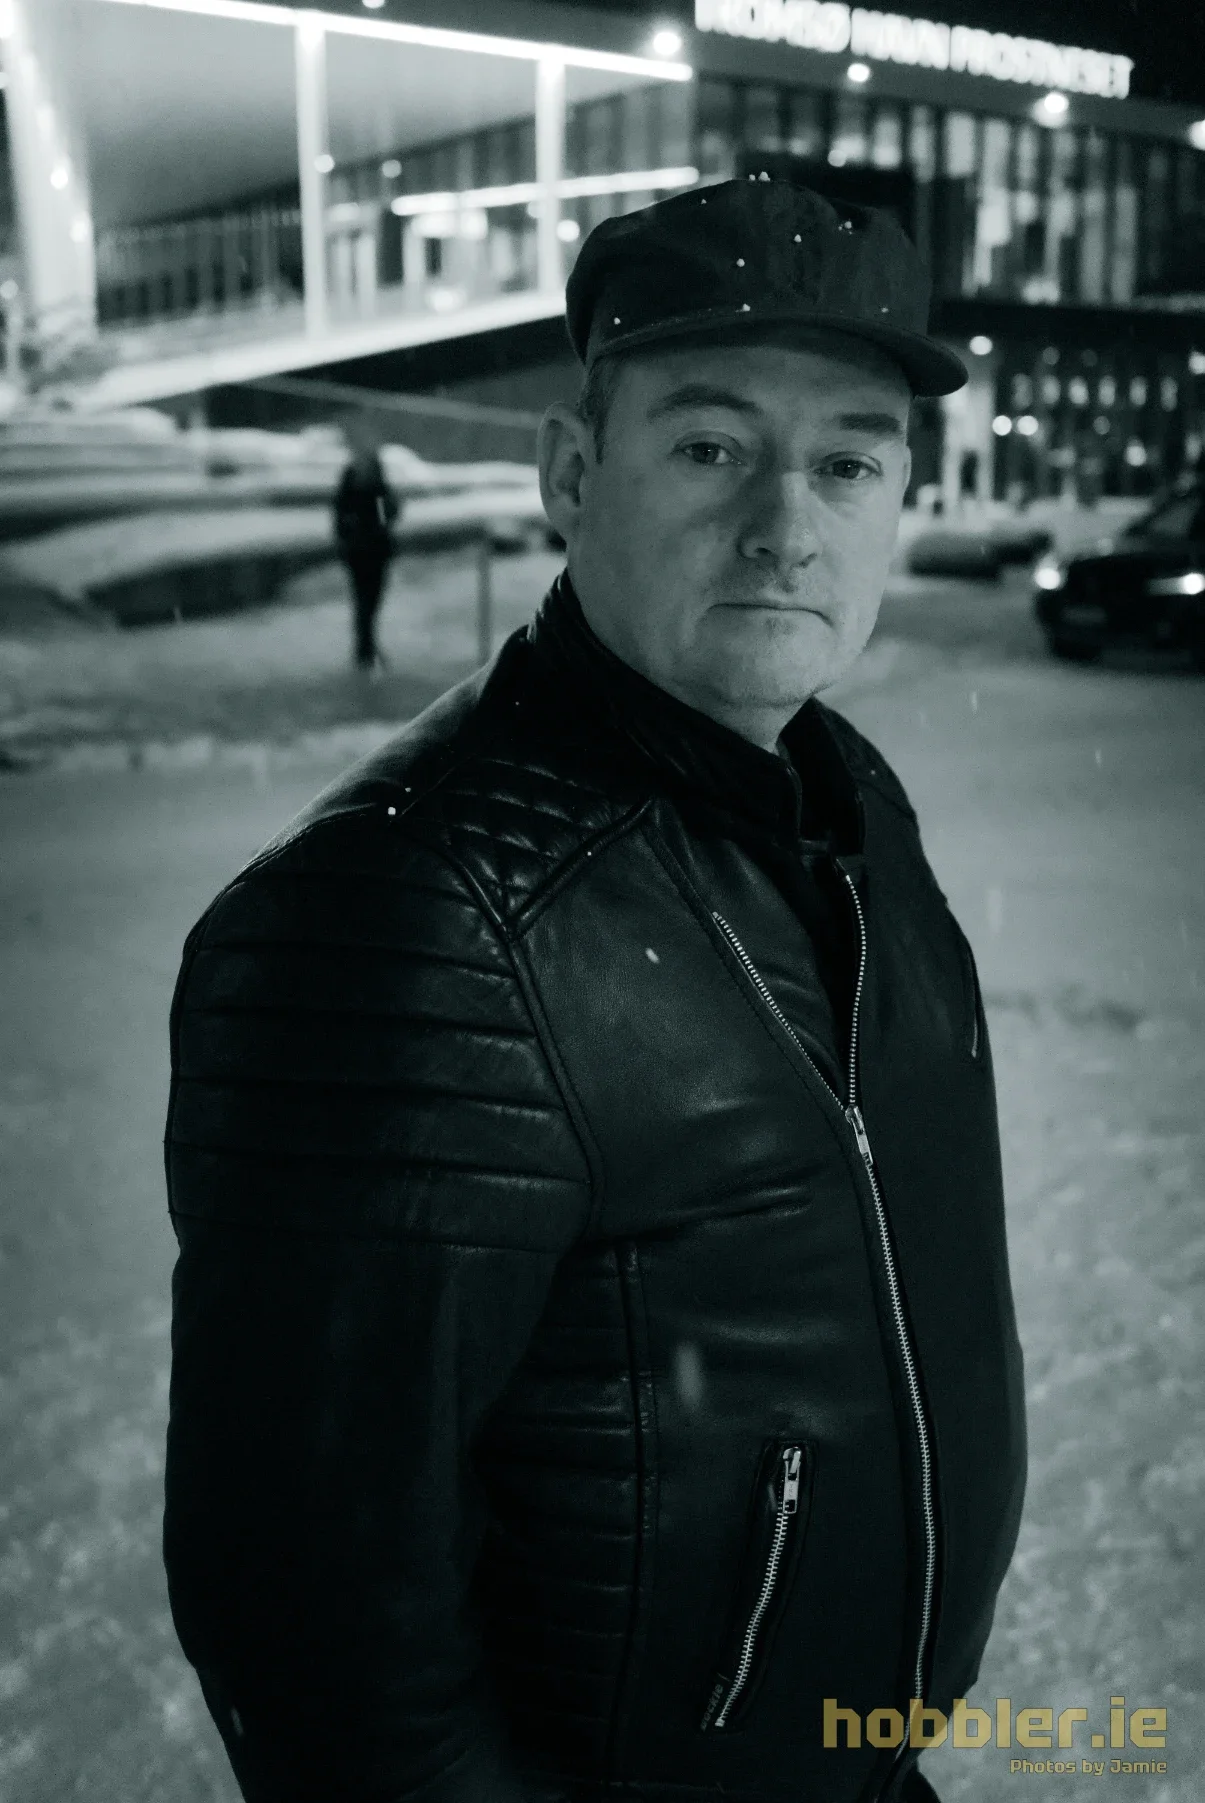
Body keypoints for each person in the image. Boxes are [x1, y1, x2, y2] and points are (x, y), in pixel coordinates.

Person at [163, 178, 1026, 1803]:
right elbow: (317, 1623)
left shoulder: (846, 799)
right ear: (571, 473)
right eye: (709, 447)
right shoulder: (408, 917)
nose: (787, 525)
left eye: (847, 463)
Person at [332, 429, 399, 670]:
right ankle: (366, 649)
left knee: (367, 601)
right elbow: (384, 517)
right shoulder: (362, 488)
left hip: (366, 552)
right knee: (367, 601)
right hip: (367, 552)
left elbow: (385, 516)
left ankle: (366, 647)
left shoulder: (362, 487)